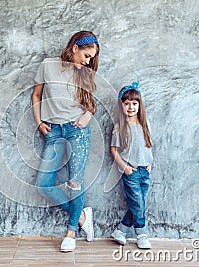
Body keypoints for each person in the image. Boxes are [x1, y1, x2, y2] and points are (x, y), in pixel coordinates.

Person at [31, 31, 100, 252]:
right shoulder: (47, 65)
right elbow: (36, 95)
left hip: (77, 131)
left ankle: (71, 232)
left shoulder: (85, 72)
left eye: (91, 58)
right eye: (87, 55)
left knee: (75, 183)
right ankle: (81, 216)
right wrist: (39, 122)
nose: (88, 61)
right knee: (43, 184)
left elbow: (90, 103)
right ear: (74, 48)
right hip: (52, 132)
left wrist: (87, 116)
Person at [110, 81, 153, 249]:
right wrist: (125, 167)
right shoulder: (120, 127)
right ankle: (141, 234)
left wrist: (150, 162)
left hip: (145, 171)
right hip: (131, 171)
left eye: (134, 104)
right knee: (138, 204)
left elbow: (148, 144)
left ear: (139, 105)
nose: (131, 107)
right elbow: (113, 150)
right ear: (122, 106)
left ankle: (120, 230)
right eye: (127, 104)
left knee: (138, 204)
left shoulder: (144, 125)